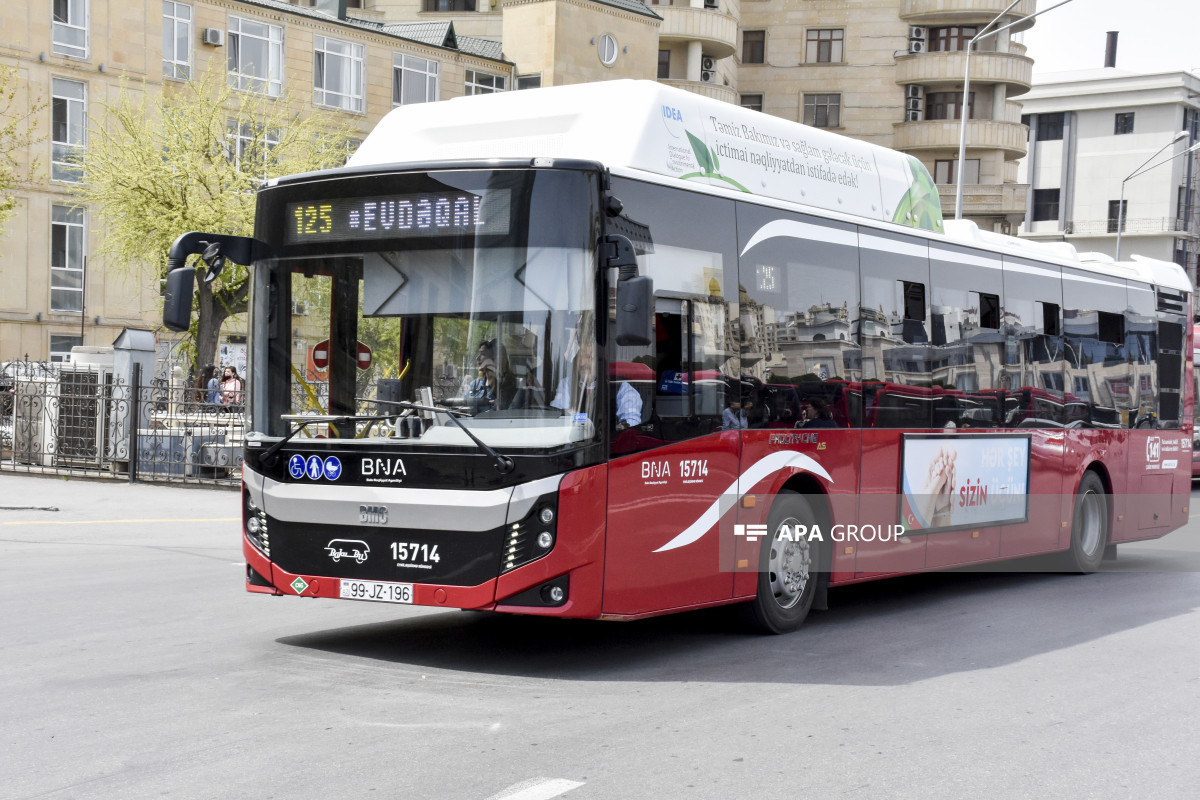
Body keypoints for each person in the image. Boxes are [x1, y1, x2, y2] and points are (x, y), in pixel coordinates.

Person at [551, 336, 642, 429]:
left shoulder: (621, 387)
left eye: (588, 357)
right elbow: (555, 413)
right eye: (580, 357)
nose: (582, 363)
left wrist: (620, 427)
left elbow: (631, 420)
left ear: (600, 361)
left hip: (607, 441)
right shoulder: (567, 384)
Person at [464, 339, 517, 412]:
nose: (477, 358)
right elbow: (461, 405)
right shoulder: (475, 384)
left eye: (483, 354)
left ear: (495, 359)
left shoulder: (506, 385)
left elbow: (499, 413)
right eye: (479, 354)